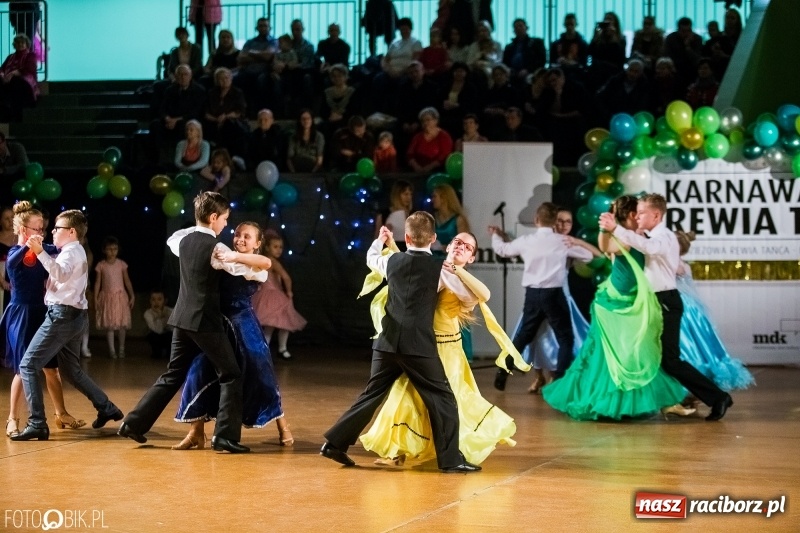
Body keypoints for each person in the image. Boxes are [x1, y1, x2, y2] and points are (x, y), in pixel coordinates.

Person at [320, 213, 479, 473]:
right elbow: (469, 297)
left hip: (386, 343)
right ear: (434, 239)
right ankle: (451, 460)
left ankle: (334, 444)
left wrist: (380, 240)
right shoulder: (439, 269)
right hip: (417, 346)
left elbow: (371, 258)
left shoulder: (391, 260)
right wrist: (457, 273)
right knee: (443, 398)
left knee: (371, 395)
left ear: (406, 238)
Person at [360, 232, 519, 465]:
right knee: (406, 395)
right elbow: (406, 268)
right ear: (448, 246)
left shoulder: (463, 283)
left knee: (450, 400)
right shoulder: (432, 269)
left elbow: (485, 294)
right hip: (422, 346)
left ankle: (451, 451)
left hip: (448, 351)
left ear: (472, 258)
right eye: (457, 242)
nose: (460, 246)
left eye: (467, 247)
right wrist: (392, 244)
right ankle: (399, 450)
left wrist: (456, 269)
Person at [118, 192, 248, 453]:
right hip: (204, 321)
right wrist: (259, 263)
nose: (225, 225)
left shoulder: (183, 240)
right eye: (224, 219)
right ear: (213, 217)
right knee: (231, 374)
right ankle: (225, 437)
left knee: (173, 374)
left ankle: (132, 424)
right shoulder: (217, 248)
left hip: (181, 318)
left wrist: (199, 225)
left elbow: (173, 238)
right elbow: (242, 269)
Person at [542, 196, 690, 420]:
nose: (640, 216)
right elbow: (604, 247)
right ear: (631, 215)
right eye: (638, 212)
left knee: (641, 353)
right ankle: (614, 402)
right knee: (616, 358)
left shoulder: (640, 237)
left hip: (635, 303)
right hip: (617, 305)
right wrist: (605, 228)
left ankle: (665, 401)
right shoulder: (624, 238)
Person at [599, 193, 734, 421]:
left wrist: (617, 229)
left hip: (665, 301)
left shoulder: (664, 237)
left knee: (670, 360)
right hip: (655, 302)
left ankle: (717, 397)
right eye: (636, 213)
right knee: (652, 355)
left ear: (656, 215)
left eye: (642, 213)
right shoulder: (649, 235)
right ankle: (664, 401)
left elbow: (649, 248)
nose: (637, 217)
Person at [171, 221, 294, 449]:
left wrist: (234, 257)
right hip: (216, 326)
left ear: (257, 243)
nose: (240, 239)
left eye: (247, 237)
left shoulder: (253, 265)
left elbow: (266, 262)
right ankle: (196, 432)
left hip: (244, 326)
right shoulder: (222, 256)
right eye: (237, 234)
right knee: (199, 372)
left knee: (260, 374)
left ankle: (282, 426)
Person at [12, 209, 124, 441]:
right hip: (76, 316)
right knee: (71, 370)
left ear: (71, 231)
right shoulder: (76, 250)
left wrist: (40, 252)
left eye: (57, 228)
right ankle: (106, 407)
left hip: (62, 316)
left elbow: (60, 274)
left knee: (28, 365)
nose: (52, 232)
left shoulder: (70, 252)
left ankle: (37, 423)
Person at [2, 202, 85, 438]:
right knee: (23, 369)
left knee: (51, 369)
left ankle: (61, 413)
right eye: (37, 228)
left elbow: (61, 248)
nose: (41, 232)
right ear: (23, 229)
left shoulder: (43, 249)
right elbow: (13, 262)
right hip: (22, 315)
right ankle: (12, 418)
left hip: (43, 313)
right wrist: (32, 247)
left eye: (42, 228)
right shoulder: (14, 253)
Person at [491, 202, 593, 391]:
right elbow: (588, 256)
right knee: (565, 337)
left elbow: (502, 250)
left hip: (533, 294)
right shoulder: (561, 241)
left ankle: (503, 371)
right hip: (554, 294)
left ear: (536, 220)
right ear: (554, 222)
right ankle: (560, 380)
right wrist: (574, 245)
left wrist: (496, 236)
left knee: (524, 335)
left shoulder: (527, 240)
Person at [522, 207, 599, 393]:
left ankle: (556, 377)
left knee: (559, 339)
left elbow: (598, 255)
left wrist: (578, 241)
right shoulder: (543, 241)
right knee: (536, 338)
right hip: (539, 295)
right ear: (552, 222)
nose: (564, 225)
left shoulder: (567, 243)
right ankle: (539, 376)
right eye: (560, 220)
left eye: (568, 222)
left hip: (561, 297)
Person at [675, 231, 754, 391]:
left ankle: (689, 382)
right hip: (690, 307)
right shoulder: (683, 264)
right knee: (694, 344)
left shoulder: (675, 264)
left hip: (682, 308)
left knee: (684, 344)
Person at [251, 230, 306, 360]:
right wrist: (289, 292)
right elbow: (286, 278)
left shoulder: (261, 260)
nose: (279, 250)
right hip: (273, 295)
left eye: (280, 247)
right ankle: (277, 350)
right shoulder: (273, 262)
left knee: (275, 325)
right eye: (275, 247)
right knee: (280, 324)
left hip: (263, 294)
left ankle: (270, 350)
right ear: (267, 247)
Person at [94, 236, 135, 359]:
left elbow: (127, 280)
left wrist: (132, 295)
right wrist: (95, 298)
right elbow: (98, 282)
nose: (112, 252)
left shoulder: (121, 264)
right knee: (110, 325)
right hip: (108, 298)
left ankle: (121, 349)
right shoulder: (101, 265)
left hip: (120, 297)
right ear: (104, 250)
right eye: (109, 249)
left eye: (115, 249)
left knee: (122, 325)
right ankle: (112, 350)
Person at [203, 67, 248, 158]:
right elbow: (206, 112)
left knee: (229, 127)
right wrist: (216, 119)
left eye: (227, 78)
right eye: (221, 78)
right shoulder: (212, 93)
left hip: (231, 122)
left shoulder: (237, 93)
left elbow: (240, 111)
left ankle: (232, 157)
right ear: (217, 81)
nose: (224, 80)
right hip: (213, 121)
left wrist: (226, 116)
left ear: (231, 78)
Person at [0, 34, 39, 121]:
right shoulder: (10, 57)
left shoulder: (30, 55)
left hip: (25, 83)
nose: (20, 44)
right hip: (8, 81)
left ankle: (15, 114)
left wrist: (14, 73)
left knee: (16, 81)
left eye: (22, 42)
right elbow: (2, 68)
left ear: (26, 44)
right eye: (18, 43)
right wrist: (2, 75)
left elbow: (29, 68)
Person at [406, 107, 453, 173]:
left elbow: (444, 156)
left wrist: (428, 168)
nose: (425, 123)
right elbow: (409, 154)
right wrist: (416, 167)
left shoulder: (444, 136)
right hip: (417, 172)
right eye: (423, 121)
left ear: (436, 120)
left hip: (437, 171)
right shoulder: (417, 137)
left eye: (428, 120)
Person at [430, 183, 469, 254]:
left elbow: (464, 245)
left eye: (435, 197)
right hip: (432, 259)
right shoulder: (432, 219)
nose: (432, 200)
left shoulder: (458, 220)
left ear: (443, 198)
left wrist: (446, 248)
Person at [374, 179, 413, 249]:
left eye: (410, 194)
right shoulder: (384, 214)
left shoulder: (414, 214)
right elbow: (377, 239)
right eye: (406, 194)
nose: (409, 197)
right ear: (397, 195)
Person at [144, 289, 173, 359]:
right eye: (153, 299)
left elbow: (172, 329)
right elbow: (158, 330)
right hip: (156, 336)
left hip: (168, 336)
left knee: (170, 335)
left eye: (159, 299)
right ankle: (156, 352)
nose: (156, 302)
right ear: (150, 301)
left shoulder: (170, 311)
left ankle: (169, 353)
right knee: (152, 336)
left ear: (165, 301)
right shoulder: (148, 313)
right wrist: (159, 316)